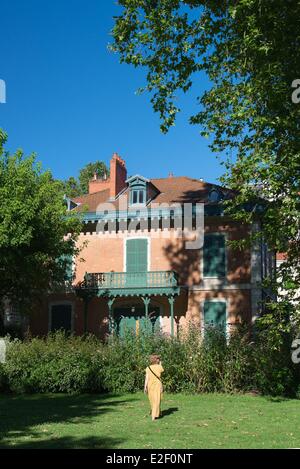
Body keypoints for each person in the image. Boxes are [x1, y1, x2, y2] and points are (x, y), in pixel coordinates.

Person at [144, 354, 164, 421]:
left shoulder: (148, 368)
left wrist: (145, 387)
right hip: (157, 384)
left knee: (152, 400)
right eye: (158, 359)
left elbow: (146, 378)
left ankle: (158, 412)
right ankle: (153, 416)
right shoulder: (159, 367)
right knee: (157, 400)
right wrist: (160, 363)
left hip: (150, 384)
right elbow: (162, 370)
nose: (159, 360)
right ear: (156, 360)